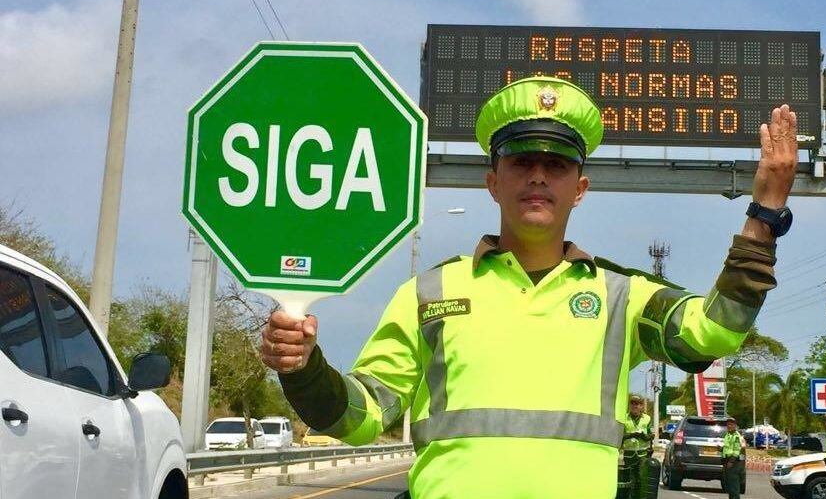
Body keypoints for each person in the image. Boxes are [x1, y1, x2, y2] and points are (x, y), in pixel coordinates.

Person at [260, 76, 798, 499]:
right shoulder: (426, 294)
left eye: (556, 164)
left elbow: (714, 333)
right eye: (522, 162)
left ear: (579, 188)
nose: (538, 176)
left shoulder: (623, 296)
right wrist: (305, 368)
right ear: (493, 180)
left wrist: (765, 212)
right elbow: (362, 416)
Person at [621, 395, 654, 497]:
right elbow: (619, 436)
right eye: (632, 403)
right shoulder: (623, 418)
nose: (635, 406)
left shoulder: (647, 418)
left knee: (640, 480)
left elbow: (651, 435)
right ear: (629, 405)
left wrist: (645, 437)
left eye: (638, 404)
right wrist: (631, 435)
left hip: (642, 455)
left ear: (641, 406)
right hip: (629, 455)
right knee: (629, 481)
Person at [722, 417, 745, 499]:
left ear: (735, 425)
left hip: (734, 462)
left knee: (734, 485)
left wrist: (731, 461)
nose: (729, 426)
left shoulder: (737, 436)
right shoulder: (728, 435)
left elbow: (737, 450)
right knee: (729, 485)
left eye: (731, 424)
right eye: (728, 424)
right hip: (727, 461)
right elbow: (727, 448)